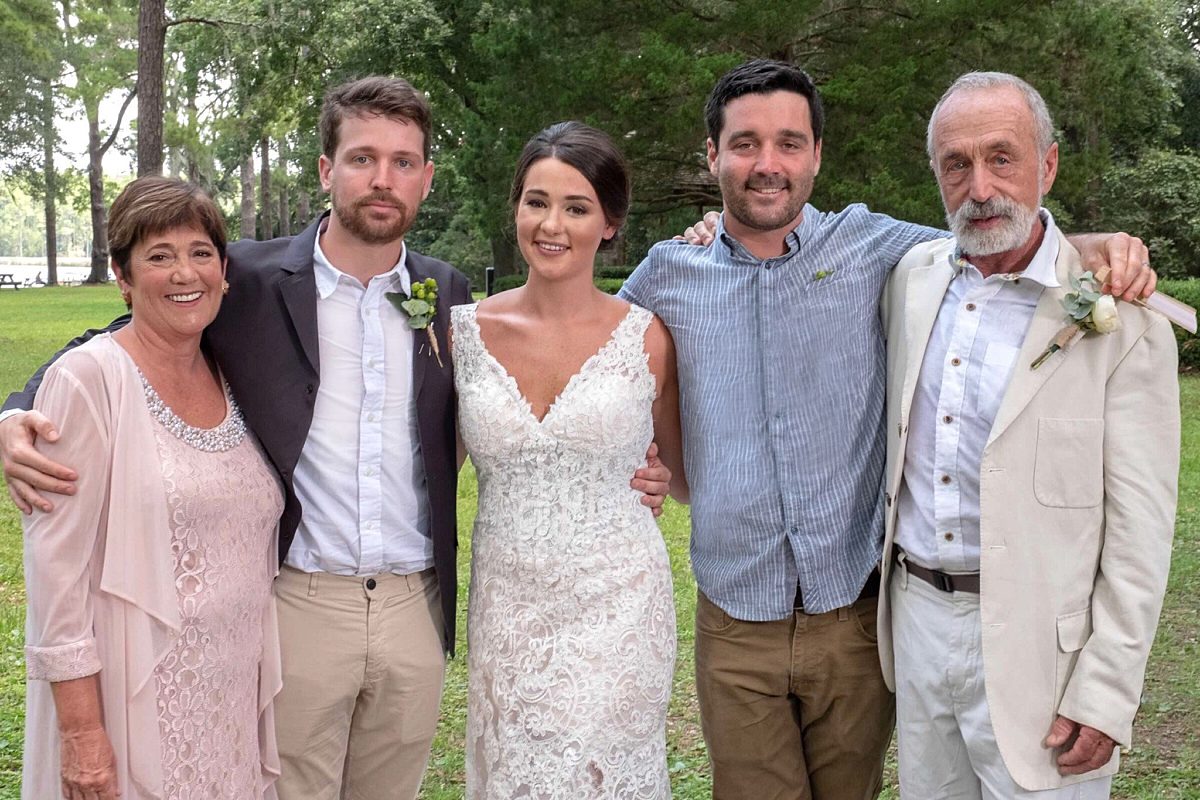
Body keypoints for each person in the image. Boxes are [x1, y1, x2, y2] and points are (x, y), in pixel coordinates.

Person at [1, 76, 670, 799]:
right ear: (326, 169)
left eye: (403, 162)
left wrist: (632, 464)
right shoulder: (248, 280)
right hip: (300, 603)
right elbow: (127, 334)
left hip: (416, 607)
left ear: (425, 178)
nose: (382, 180)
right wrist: (15, 409)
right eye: (361, 159)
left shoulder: (443, 298)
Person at [622, 58, 1155, 799]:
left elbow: (997, 232)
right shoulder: (666, 272)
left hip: (855, 614)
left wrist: (1094, 247)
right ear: (712, 156)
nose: (766, 164)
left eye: (789, 142)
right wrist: (638, 465)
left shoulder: (879, 250)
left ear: (817, 155)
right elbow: (597, 355)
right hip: (736, 618)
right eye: (744, 144)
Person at [877, 72, 1179, 799]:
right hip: (916, 628)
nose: (979, 186)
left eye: (1001, 158)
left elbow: (1142, 532)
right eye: (956, 164)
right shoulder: (910, 279)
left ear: (1047, 165)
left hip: (1047, 656)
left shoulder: (1126, 322)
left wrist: (1107, 690)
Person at [21, 176, 284, 799]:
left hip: (227, 703)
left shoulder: (234, 370)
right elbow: (56, 579)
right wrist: (84, 736)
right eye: (158, 256)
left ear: (223, 270)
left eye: (199, 253)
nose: (183, 272)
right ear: (122, 275)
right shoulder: (89, 380)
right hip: (132, 694)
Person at [451, 121, 686, 798]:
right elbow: (431, 473)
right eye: (537, 202)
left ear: (609, 224)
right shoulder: (464, 333)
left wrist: (662, 476)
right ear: (517, 209)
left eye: (576, 207)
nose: (552, 224)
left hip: (618, 606)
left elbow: (685, 477)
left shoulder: (647, 338)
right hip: (508, 609)